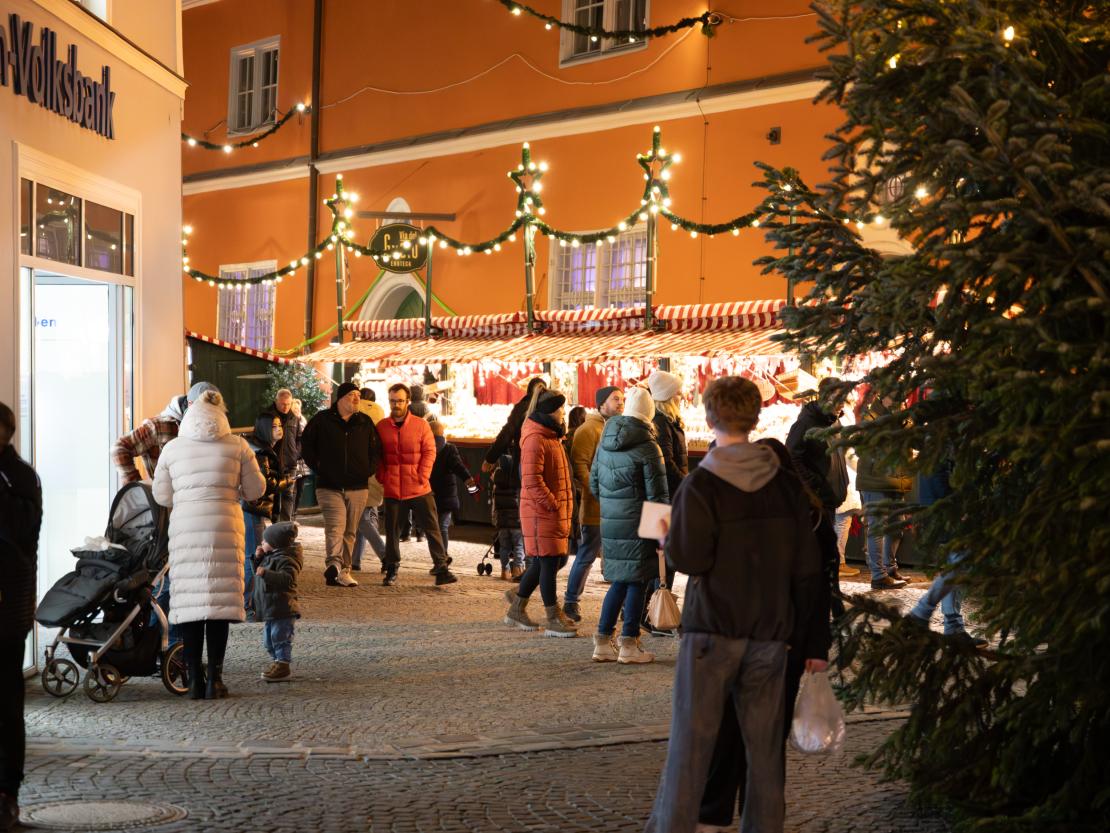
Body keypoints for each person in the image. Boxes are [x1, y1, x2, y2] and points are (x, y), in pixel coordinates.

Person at [644, 377, 827, 833]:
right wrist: (815, 642)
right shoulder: (786, 487)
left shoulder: (701, 484)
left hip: (712, 633)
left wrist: (668, 536)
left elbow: (691, 559)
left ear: (709, 418)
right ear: (756, 417)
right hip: (770, 635)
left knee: (690, 748)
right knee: (765, 756)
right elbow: (809, 570)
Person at [697, 437, 832, 830]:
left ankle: (747, 817)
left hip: (777, 638)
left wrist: (815, 644)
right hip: (751, 636)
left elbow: (815, 585)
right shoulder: (746, 508)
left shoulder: (806, 515)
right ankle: (721, 812)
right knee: (734, 732)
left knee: (757, 737)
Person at [152, 389, 266, 700]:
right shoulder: (238, 446)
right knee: (218, 607)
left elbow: (161, 496)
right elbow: (255, 490)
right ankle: (215, 680)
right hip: (225, 529)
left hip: (187, 530)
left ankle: (193, 682)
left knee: (190, 607)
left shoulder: (173, 449)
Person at [589, 387, 669, 664]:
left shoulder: (605, 440)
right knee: (638, 581)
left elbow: (593, 484)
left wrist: (613, 505)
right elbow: (657, 497)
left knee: (621, 581)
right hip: (639, 524)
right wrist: (662, 535)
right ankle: (629, 643)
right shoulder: (649, 446)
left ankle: (602, 640)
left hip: (612, 522)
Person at [502, 390, 577, 637]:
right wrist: (553, 504)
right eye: (562, 410)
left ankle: (518, 603)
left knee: (554, 560)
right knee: (548, 562)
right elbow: (532, 481)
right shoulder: (536, 438)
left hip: (551, 511)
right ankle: (552, 616)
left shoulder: (552, 436)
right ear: (552, 411)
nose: (564, 413)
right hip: (542, 512)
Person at [0, 402, 41, 832]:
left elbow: (18, 538)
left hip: (7, 610)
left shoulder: (19, 478)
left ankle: (7, 791)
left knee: (7, 704)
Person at [300, 382, 381, 588]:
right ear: (340, 398)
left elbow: (376, 450)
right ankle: (334, 564)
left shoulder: (365, 422)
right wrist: (319, 466)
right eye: (352, 395)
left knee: (350, 531)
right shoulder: (322, 420)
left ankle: (344, 570)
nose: (356, 399)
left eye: (358, 395)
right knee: (336, 526)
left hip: (358, 486)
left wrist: (368, 469)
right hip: (329, 485)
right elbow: (307, 444)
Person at [377, 384, 458, 587]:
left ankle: (441, 567)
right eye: (392, 401)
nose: (396, 405)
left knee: (432, 528)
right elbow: (377, 455)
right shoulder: (382, 427)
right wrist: (382, 475)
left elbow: (430, 451)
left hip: (419, 487)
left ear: (408, 402)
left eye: (399, 401)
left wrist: (422, 475)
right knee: (393, 531)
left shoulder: (421, 425)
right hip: (393, 488)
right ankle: (392, 568)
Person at [907, 457, 988, 647]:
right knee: (960, 562)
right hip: (948, 512)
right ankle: (921, 613)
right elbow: (937, 473)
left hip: (944, 509)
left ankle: (952, 627)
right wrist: (957, 507)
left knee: (956, 563)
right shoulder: (945, 438)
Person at [563, 385, 624, 622]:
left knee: (619, 557)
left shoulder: (617, 426)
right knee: (587, 554)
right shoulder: (589, 430)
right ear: (601, 404)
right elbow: (580, 466)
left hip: (616, 507)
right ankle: (571, 601)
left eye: (622, 399)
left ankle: (620, 605)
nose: (620, 403)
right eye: (615, 399)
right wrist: (599, 490)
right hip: (596, 507)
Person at [645, 370, 689, 634]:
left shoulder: (668, 421)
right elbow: (667, 462)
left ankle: (655, 614)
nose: (681, 396)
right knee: (661, 560)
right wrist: (687, 482)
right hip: (663, 500)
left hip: (669, 498)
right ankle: (654, 615)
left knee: (664, 559)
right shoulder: (660, 423)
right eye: (677, 392)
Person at [856, 393, 912, 589]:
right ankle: (878, 576)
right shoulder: (870, 417)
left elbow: (912, 438)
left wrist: (903, 419)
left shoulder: (902, 417)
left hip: (897, 480)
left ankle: (889, 568)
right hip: (875, 481)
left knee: (897, 526)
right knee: (878, 528)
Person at [112, 381, 216, 483]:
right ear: (190, 404)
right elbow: (120, 448)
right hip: (164, 497)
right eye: (204, 411)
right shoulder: (158, 426)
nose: (207, 417)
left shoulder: (209, 426)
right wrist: (135, 489)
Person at [243, 413, 290, 616]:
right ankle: (249, 602)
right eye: (274, 426)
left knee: (254, 555)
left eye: (280, 425)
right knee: (254, 556)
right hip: (255, 509)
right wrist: (286, 482)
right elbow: (265, 484)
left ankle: (252, 601)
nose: (279, 429)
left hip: (256, 509)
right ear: (264, 428)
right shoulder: (261, 452)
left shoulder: (264, 448)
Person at [251, 522, 303, 682]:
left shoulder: (287, 559)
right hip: (271, 608)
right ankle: (277, 661)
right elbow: (258, 574)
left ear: (275, 544)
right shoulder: (270, 556)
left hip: (283, 608)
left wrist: (267, 573)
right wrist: (257, 559)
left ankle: (283, 664)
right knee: (269, 640)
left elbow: (288, 579)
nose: (262, 543)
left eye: (265, 541)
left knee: (280, 637)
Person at [428, 417, 476, 566]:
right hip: (447, 494)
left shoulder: (424, 447)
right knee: (442, 526)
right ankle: (443, 556)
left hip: (429, 493)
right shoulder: (449, 449)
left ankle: (439, 558)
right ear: (443, 433)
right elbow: (458, 466)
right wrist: (468, 480)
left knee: (432, 527)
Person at [352, 389, 387, 573]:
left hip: (359, 471)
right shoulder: (380, 412)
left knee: (362, 519)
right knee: (364, 517)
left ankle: (386, 556)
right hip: (376, 471)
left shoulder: (355, 412)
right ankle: (355, 560)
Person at [481, 376, 547, 474]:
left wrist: (490, 458)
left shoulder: (521, 408)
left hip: (524, 462)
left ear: (528, 390)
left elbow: (506, 434)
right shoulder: (550, 410)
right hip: (546, 462)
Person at [260, 388, 303, 522]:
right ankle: (275, 528)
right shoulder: (267, 416)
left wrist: (296, 454)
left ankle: (285, 527)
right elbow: (260, 438)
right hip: (273, 464)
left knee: (288, 495)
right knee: (274, 496)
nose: (286, 407)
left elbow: (299, 438)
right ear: (276, 401)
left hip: (290, 464)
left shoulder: (294, 418)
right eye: (283, 404)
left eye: (288, 404)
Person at [491, 452, 525, 581]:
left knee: (504, 547)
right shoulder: (516, 483)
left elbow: (495, 505)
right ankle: (518, 569)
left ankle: (504, 571)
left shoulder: (497, 485)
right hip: (516, 522)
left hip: (502, 522)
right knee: (518, 546)